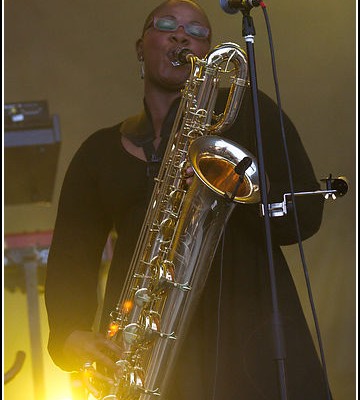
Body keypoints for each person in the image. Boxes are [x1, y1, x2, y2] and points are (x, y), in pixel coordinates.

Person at [45, 1, 330, 399]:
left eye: (198, 32)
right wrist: (69, 334)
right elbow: (71, 257)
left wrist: (257, 188)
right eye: (166, 25)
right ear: (140, 47)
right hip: (147, 349)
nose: (182, 35)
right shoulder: (98, 152)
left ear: (207, 55)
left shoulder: (249, 111)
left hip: (252, 340)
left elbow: (306, 213)